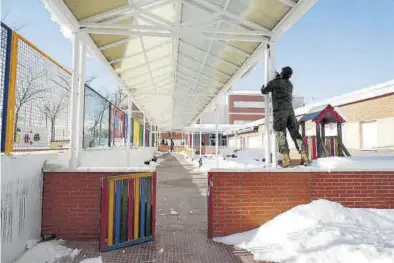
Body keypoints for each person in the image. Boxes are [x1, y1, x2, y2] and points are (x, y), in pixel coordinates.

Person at [261, 66, 310, 167]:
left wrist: (267, 84)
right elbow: (282, 84)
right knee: (296, 134)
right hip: (290, 112)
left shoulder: (276, 82)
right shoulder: (290, 84)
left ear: (282, 73)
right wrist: (279, 77)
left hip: (279, 112)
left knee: (281, 134)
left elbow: (265, 90)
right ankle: (304, 156)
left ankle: (286, 158)